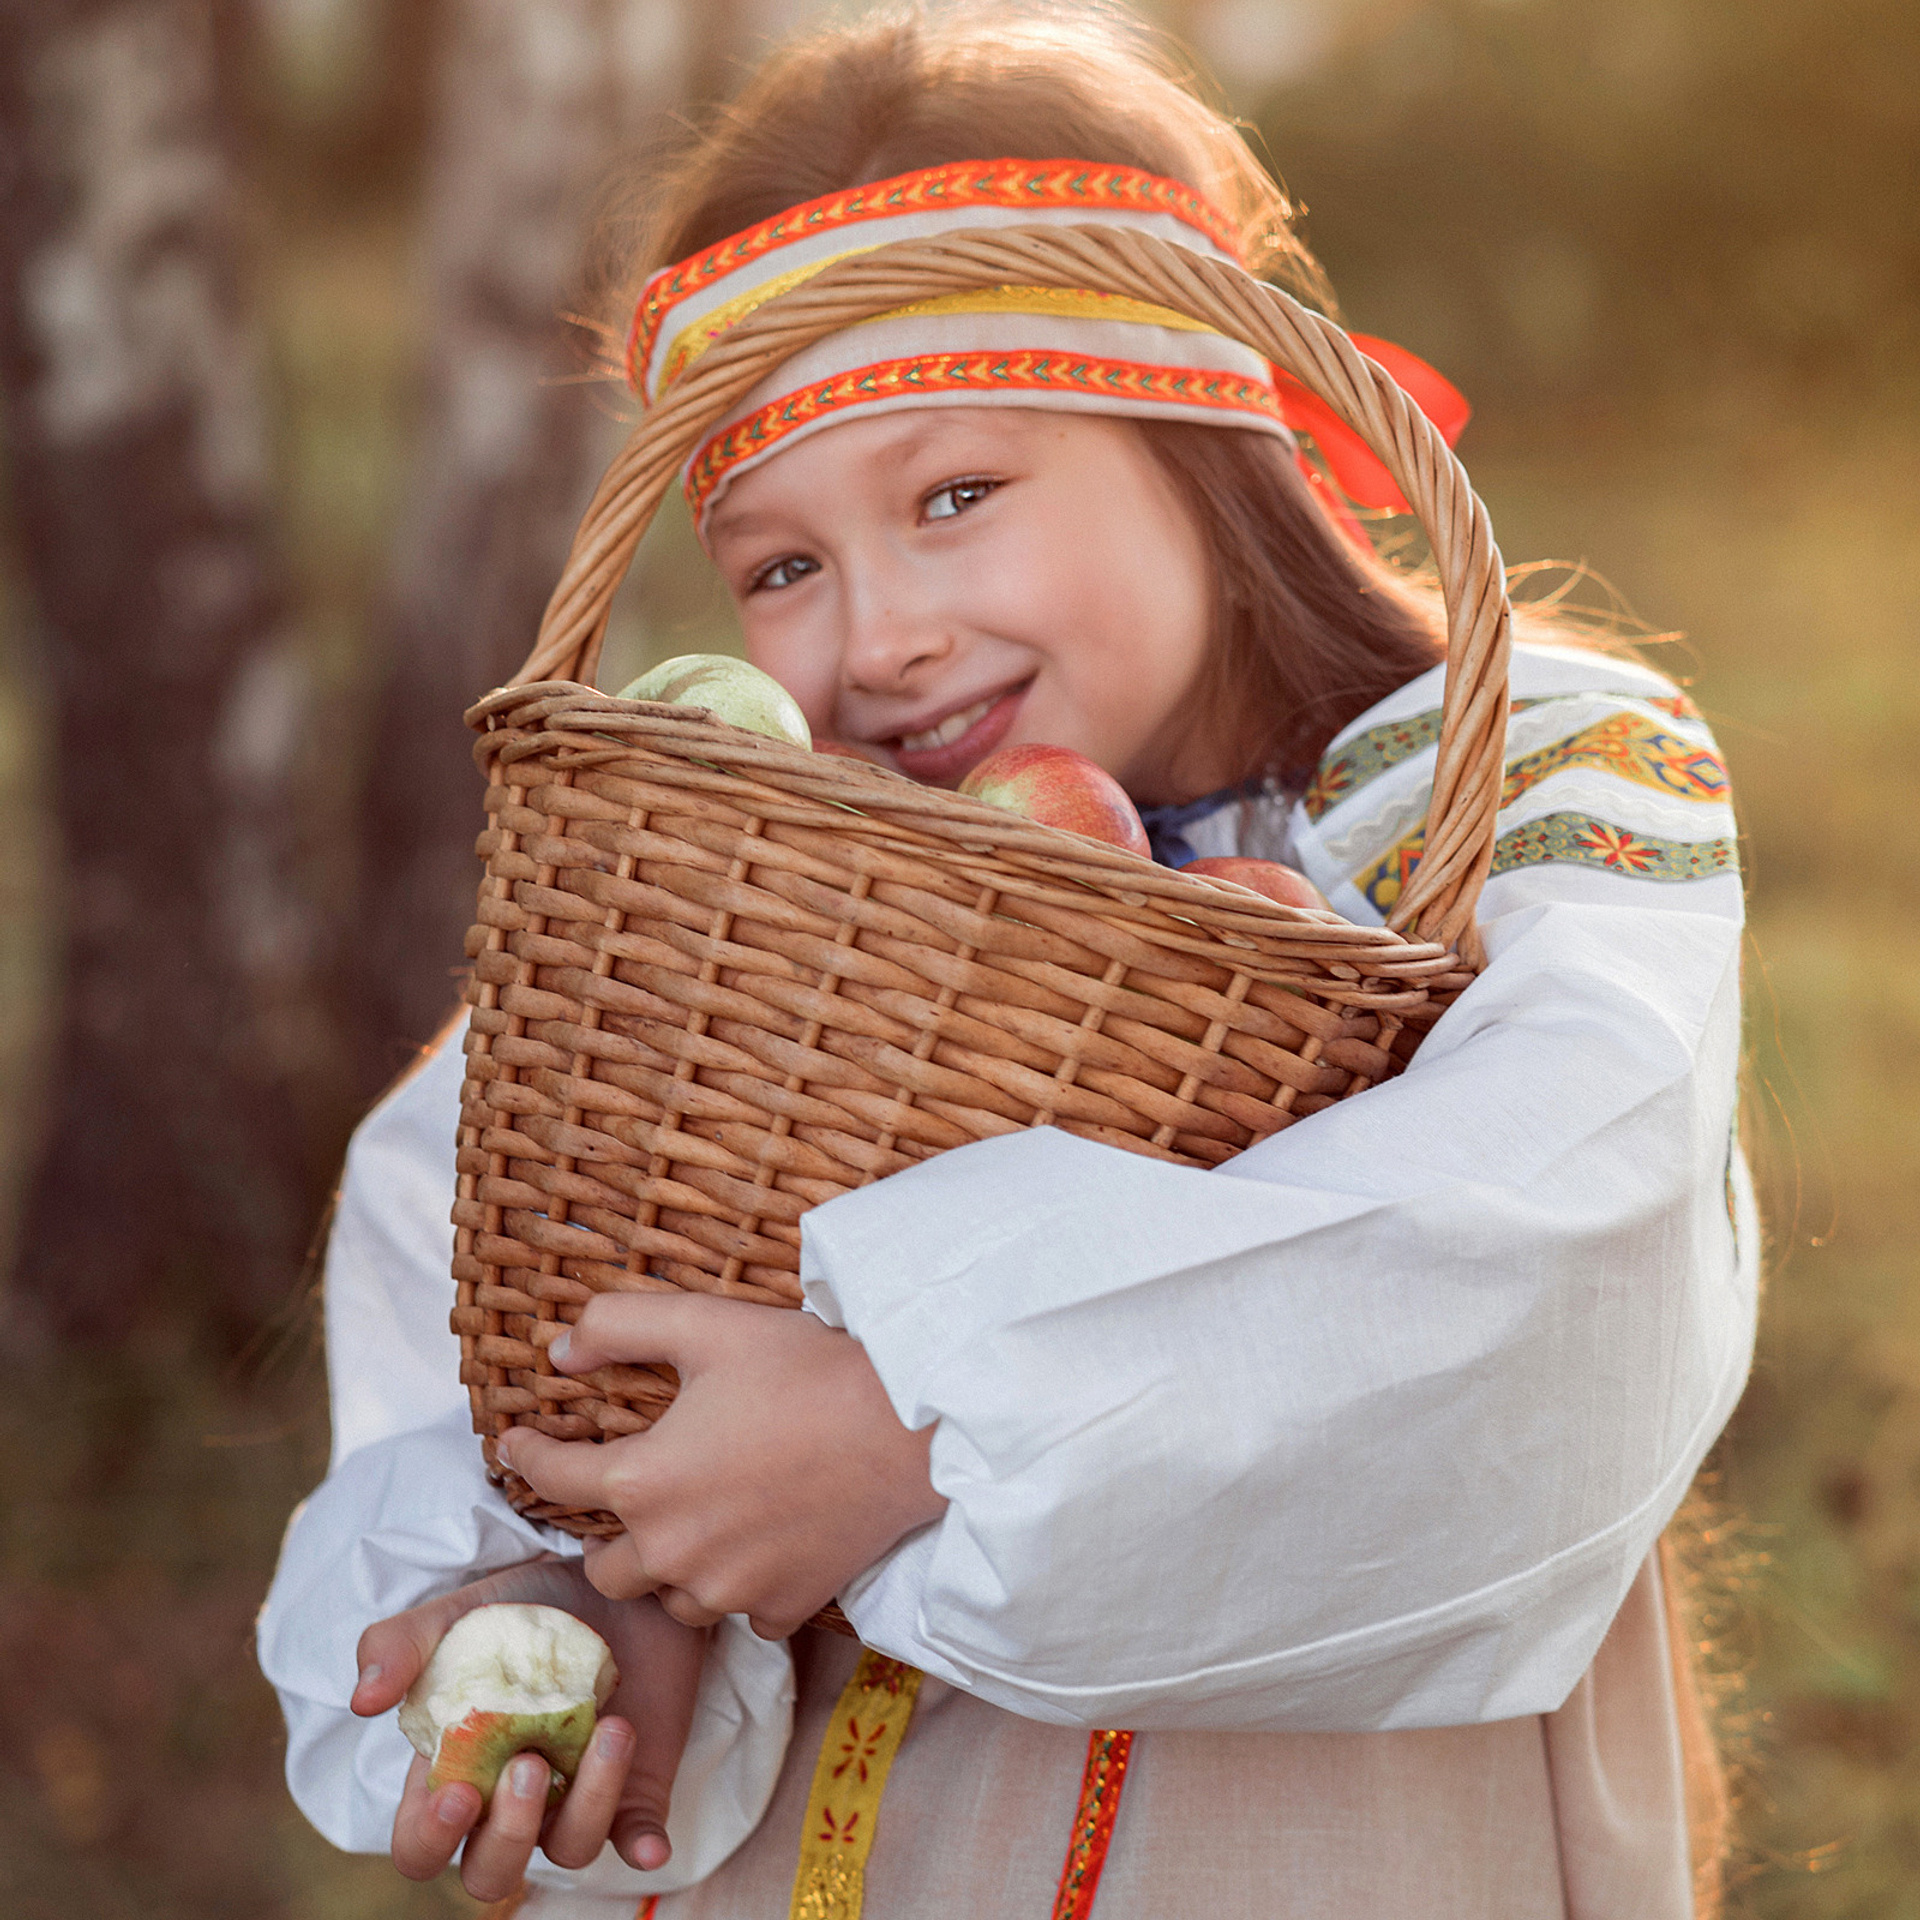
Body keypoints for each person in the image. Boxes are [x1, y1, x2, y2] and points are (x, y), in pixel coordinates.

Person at [258, 8, 1755, 1916]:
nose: (877, 637)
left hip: (1318, 1841)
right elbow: (470, 1232)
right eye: (780, 566)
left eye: (957, 495)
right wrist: (579, 1568)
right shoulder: (755, 890)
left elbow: (1549, 1243)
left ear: (1201, 435)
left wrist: (923, 1432)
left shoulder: (1504, 782)